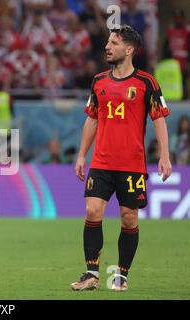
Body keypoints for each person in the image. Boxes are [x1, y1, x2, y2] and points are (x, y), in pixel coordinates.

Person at [71, 25, 172, 292]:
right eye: (107, 41)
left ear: (128, 50)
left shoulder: (147, 83)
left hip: (131, 165)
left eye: (113, 43)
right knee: (92, 210)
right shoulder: (98, 81)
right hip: (101, 162)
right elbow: (92, 119)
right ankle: (91, 274)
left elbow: (159, 119)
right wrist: (82, 154)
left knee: (129, 219)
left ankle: (122, 275)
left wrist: (165, 155)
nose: (107, 46)